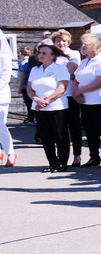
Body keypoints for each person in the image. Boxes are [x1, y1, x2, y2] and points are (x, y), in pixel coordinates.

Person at [72, 34, 101, 167]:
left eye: (85, 44)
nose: (83, 46)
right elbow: (76, 78)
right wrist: (76, 93)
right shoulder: (84, 62)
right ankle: (94, 157)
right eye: (82, 43)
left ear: (94, 46)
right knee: (90, 130)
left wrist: (81, 90)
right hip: (86, 102)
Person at [26, 44, 72, 172]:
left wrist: (47, 101)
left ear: (52, 56)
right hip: (40, 108)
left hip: (57, 107)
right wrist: (37, 100)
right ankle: (52, 163)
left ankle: (62, 163)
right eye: (40, 52)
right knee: (46, 137)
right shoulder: (35, 70)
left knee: (60, 136)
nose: (40, 55)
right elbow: (29, 88)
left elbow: (62, 88)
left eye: (44, 53)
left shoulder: (60, 68)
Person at [50, 30, 83, 166]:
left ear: (68, 42)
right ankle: (62, 157)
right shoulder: (52, 55)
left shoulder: (73, 54)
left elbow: (70, 72)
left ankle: (77, 155)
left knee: (74, 126)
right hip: (56, 96)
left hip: (70, 95)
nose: (61, 43)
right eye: (58, 41)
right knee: (60, 128)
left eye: (63, 40)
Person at [0, 29, 13, 167]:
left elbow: (5, 78)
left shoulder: (5, 58)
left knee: (1, 125)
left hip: (1, 96)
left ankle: (10, 152)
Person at [17, 46, 36, 123]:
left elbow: (23, 75)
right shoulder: (30, 60)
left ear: (21, 53)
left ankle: (33, 118)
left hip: (25, 85)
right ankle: (30, 117)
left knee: (28, 102)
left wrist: (19, 86)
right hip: (29, 84)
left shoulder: (24, 62)